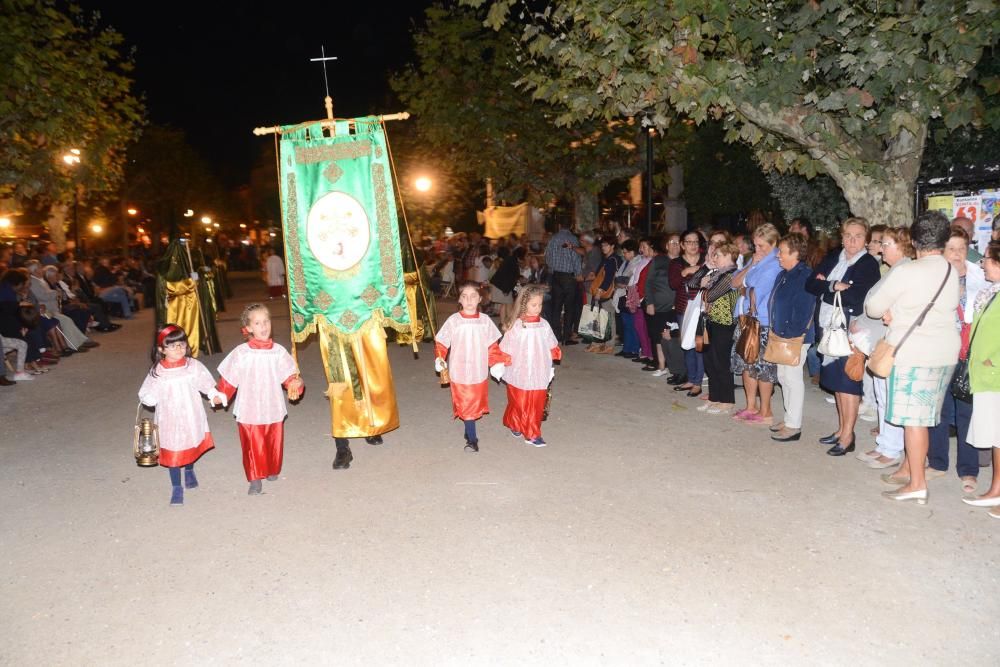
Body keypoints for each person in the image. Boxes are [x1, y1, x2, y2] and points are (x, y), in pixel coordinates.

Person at [866, 211, 960, 505]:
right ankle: (909, 467)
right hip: (945, 352)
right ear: (944, 240)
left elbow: (872, 307)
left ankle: (917, 484)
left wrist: (895, 312)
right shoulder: (950, 270)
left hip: (913, 353)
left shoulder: (909, 271)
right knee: (925, 416)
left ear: (915, 241)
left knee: (913, 421)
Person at [807, 217, 881, 454]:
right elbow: (810, 284)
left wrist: (826, 286)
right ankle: (841, 429)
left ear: (866, 239)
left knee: (848, 383)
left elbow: (855, 298)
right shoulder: (833, 257)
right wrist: (833, 286)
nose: (852, 240)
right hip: (829, 327)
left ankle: (848, 436)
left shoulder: (868, 264)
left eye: (858, 236)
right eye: (848, 235)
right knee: (837, 383)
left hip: (851, 331)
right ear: (841, 237)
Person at [216, 303, 303, 495]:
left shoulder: (278, 352)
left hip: (272, 404)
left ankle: (272, 468)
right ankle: (255, 477)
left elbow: (288, 376)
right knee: (252, 443)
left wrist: (294, 384)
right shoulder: (242, 353)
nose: (263, 326)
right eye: (257, 323)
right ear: (248, 328)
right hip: (250, 406)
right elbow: (230, 378)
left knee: (274, 439)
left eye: (266, 321)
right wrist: (221, 393)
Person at [926, 227, 987, 495]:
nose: (957, 254)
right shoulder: (932, 277)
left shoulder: (980, 276)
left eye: (962, 248)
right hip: (939, 351)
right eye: (951, 249)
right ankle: (937, 463)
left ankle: (968, 470)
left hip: (968, 354)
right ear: (942, 251)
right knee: (937, 411)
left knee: (966, 414)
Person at [138, 325, 228, 506]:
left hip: (190, 414)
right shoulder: (158, 371)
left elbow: (206, 383)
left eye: (181, 343)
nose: (179, 348)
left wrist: (214, 394)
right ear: (161, 349)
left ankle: (189, 469)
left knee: (190, 443)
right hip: (169, 419)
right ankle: (176, 486)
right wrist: (148, 397)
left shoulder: (193, 365)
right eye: (172, 345)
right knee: (173, 450)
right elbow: (147, 392)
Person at [854, 226, 913, 470]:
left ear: (901, 246)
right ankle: (884, 444)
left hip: (892, 341)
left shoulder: (905, 270)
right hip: (881, 340)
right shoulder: (893, 269)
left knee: (889, 396)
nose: (882, 248)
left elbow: (882, 306)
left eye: (886, 244)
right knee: (881, 395)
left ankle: (892, 449)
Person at [434, 282, 510, 452]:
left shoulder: (485, 321)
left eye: (473, 296)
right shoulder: (454, 321)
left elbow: (492, 346)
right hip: (459, 370)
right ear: (459, 299)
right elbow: (442, 342)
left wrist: (496, 363)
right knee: (466, 403)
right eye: (464, 296)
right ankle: (472, 438)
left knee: (473, 403)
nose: (469, 300)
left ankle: (469, 430)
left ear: (480, 299)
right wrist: (440, 358)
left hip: (478, 370)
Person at [961, 240, 1000, 516]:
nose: (981, 263)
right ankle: (996, 489)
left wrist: (993, 361)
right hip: (985, 375)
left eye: (986, 258)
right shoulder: (992, 292)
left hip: (994, 375)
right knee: (996, 438)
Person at [731, 223, 784, 425]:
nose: (758, 249)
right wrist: (752, 264)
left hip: (764, 321)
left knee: (763, 367)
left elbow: (757, 289)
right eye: (756, 245)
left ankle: (766, 411)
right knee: (747, 363)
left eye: (762, 245)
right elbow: (736, 283)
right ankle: (751, 406)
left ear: (774, 243)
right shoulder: (757, 259)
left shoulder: (776, 261)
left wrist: (747, 287)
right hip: (747, 318)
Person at [767, 234, 816, 442]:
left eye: (782, 251)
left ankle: (794, 425)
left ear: (795, 253)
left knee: (793, 379)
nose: (778, 255)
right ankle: (788, 419)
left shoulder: (804, 275)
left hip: (795, 336)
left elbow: (805, 309)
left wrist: (789, 333)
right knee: (783, 378)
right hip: (780, 334)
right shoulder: (784, 274)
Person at [500, 285, 561, 446]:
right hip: (519, 370)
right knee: (519, 401)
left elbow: (551, 342)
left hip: (539, 369)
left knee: (536, 402)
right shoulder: (517, 325)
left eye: (540, 305)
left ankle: (533, 433)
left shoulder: (544, 324)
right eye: (534, 305)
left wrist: (555, 351)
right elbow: (506, 346)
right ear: (524, 304)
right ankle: (515, 422)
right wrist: (501, 361)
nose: (537, 309)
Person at [698, 241, 739, 414]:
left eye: (719, 255)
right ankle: (714, 397)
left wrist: (704, 285)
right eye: (714, 255)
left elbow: (710, 295)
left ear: (730, 256)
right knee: (710, 361)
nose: (715, 258)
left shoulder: (730, 275)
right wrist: (705, 286)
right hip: (713, 321)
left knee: (721, 362)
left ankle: (727, 400)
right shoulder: (718, 274)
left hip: (725, 324)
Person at [670, 231, 707, 395]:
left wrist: (696, 270)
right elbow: (673, 283)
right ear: (682, 245)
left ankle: (698, 382)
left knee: (699, 344)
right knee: (686, 345)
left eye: (696, 242)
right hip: (683, 308)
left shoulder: (707, 261)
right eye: (689, 242)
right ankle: (691, 378)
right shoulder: (676, 263)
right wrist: (685, 272)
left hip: (702, 308)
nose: (693, 245)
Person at [544, 222, 583, 345]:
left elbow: (547, 256)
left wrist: (551, 271)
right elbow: (576, 258)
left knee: (556, 307)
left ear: (559, 226)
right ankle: (567, 337)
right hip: (569, 277)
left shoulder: (553, 239)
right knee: (569, 308)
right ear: (570, 226)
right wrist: (578, 273)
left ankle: (557, 336)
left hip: (556, 275)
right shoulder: (573, 239)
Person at [586, 237, 621, 355]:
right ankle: (600, 343)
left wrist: (601, 291)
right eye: (602, 246)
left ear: (612, 246)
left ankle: (609, 345)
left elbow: (609, 277)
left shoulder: (613, 259)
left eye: (606, 245)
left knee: (609, 319)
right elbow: (600, 274)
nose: (603, 248)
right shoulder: (607, 259)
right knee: (600, 319)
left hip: (607, 294)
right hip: (602, 292)